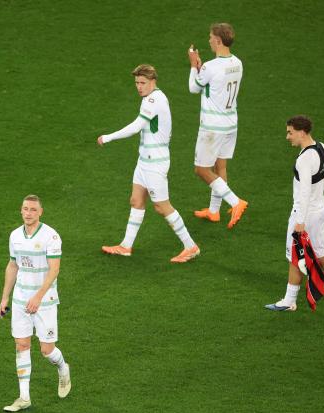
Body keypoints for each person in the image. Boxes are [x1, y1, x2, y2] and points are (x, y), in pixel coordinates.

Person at [98, 64, 200, 263]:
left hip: (155, 163)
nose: (139, 86)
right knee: (136, 200)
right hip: (144, 161)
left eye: (143, 83)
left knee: (162, 207)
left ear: (153, 81)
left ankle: (191, 246)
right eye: (136, 82)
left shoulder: (153, 100)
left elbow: (137, 127)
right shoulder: (151, 98)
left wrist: (108, 137)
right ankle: (126, 246)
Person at [265, 116, 324, 312]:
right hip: (320, 209)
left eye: (290, 132)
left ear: (301, 132)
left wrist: (300, 221)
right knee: (320, 253)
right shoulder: (323, 148)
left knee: (295, 257)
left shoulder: (304, 159)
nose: (287, 136)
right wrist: (318, 196)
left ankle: (289, 301)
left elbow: (304, 191)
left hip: (304, 215)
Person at [0, 195, 71, 412]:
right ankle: (24, 397)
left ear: (40, 212)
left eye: (32, 209)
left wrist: (38, 296)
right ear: (21, 211)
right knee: (21, 345)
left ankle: (63, 369)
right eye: (25, 209)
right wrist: (4, 297)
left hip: (44, 302)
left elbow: (54, 270)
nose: (28, 213)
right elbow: (13, 266)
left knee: (47, 350)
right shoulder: (15, 236)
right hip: (21, 300)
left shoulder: (51, 236)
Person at [187, 23, 248, 228]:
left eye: (211, 37)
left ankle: (235, 202)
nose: (209, 40)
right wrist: (201, 67)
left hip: (213, 127)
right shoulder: (238, 63)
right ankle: (214, 211)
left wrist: (194, 65)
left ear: (219, 41)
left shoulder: (210, 67)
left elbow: (194, 88)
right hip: (231, 124)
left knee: (201, 170)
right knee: (219, 166)